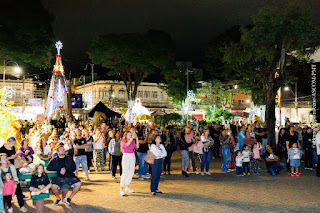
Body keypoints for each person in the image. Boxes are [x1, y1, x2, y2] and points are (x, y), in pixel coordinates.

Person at [120, 131, 139, 196]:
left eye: (130, 135)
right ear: (125, 136)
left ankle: (127, 186)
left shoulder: (132, 142)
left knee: (131, 172)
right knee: (125, 172)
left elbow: (137, 147)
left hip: (132, 156)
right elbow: (126, 145)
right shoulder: (123, 141)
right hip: (126, 156)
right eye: (129, 135)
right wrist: (132, 139)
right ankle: (121, 188)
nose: (130, 136)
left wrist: (136, 138)